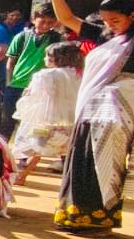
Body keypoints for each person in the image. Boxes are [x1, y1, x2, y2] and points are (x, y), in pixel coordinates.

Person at [47, 0, 134, 232]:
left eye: (115, 20)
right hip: (90, 107)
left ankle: (101, 219)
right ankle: (73, 216)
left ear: (133, 16)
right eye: (105, 20)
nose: (109, 25)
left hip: (118, 108)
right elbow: (66, 18)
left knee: (107, 159)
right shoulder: (103, 35)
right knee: (81, 159)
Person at [10, 41, 83, 187]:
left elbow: (33, 97)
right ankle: (72, 183)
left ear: (57, 59)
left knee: (36, 148)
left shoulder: (44, 75)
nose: (45, 59)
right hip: (69, 121)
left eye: (48, 56)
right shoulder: (77, 75)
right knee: (66, 150)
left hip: (44, 120)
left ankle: (22, 176)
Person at [0, 6, 60, 139]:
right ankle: (1, 148)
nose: (46, 25)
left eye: (50, 22)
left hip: (40, 87)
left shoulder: (56, 39)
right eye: (42, 21)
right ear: (33, 19)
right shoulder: (21, 37)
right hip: (16, 84)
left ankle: (25, 151)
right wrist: (9, 82)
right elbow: (10, 62)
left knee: (33, 123)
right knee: (8, 120)